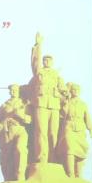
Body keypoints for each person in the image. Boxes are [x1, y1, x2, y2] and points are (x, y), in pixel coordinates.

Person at [27, 32, 64, 168]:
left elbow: (62, 89)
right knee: (40, 131)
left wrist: (65, 91)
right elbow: (35, 61)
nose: (47, 62)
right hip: (41, 104)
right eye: (45, 60)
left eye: (49, 60)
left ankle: (52, 158)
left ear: (52, 62)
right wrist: (38, 45)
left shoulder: (57, 76)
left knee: (53, 132)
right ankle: (41, 158)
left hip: (54, 105)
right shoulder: (39, 72)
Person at [0, 84, 31, 182]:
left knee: (20, 149)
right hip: (7, 131)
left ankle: (20, 176)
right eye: (11, 90)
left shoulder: (25, 103)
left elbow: (30, 119)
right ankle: (9, 179)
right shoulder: (5, 105)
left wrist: (21, 115)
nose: (13, 92)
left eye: (15, 90)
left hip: (20, 129)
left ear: (18, 92)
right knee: (7, 155)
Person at [57, 82, 92, 179]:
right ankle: (70, 175)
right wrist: (65, 102)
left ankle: (78, 175)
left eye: (77, 89)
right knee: (69, 149)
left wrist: (91, 129)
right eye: (73, 89)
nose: (76, 91)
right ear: (70, 91)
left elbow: (87, 117)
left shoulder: (83, 104)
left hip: (80, 129)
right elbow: (62, 114)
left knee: (80, 152)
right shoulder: (67, 102)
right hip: (68, 127)